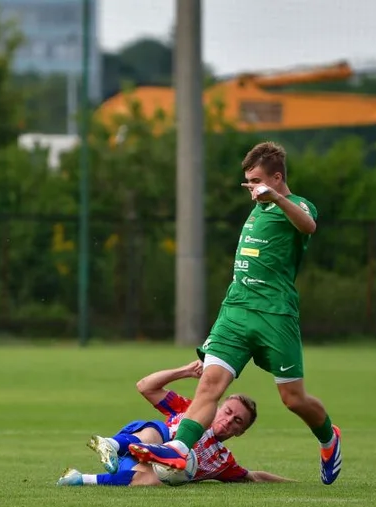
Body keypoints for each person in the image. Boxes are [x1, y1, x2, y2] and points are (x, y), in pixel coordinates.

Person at [130, 141, 343, 485]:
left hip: (275, 316)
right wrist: (264, 197)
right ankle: (181, 448)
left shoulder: (296, 205)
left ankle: (328, 438)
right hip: (235, 311)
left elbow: (308, 226)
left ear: (277, 178)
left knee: (293, 399)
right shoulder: (258, 207)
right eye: (247, 182)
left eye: (257, 180)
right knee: (209, 386)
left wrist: (277, 199)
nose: (251, 188)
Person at [56, 359, 295, 486]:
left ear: (241, 432)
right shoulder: (191, 409)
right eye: (228, 411)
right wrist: (185, 371)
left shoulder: (223, 462)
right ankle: (109, 444)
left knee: (153, 481)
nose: (228, 420)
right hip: (136, 442)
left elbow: (254, 477)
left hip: (141, 468)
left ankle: (80, 479)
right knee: (160, 432)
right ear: (219, 406)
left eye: (237, 421)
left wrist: (293, 483)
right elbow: (145, 386)